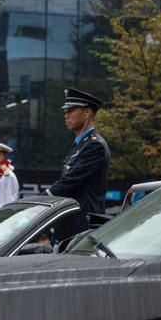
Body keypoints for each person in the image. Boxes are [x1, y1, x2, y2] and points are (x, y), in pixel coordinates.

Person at [44, 88, 111, 238]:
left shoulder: (95, 145)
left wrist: (40, 199)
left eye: (71, 111)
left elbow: (70, 182)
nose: (66, 116)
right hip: (71, 228)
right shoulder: (80, 144)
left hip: (82, 231)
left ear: (87, 113)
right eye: (65, 112)